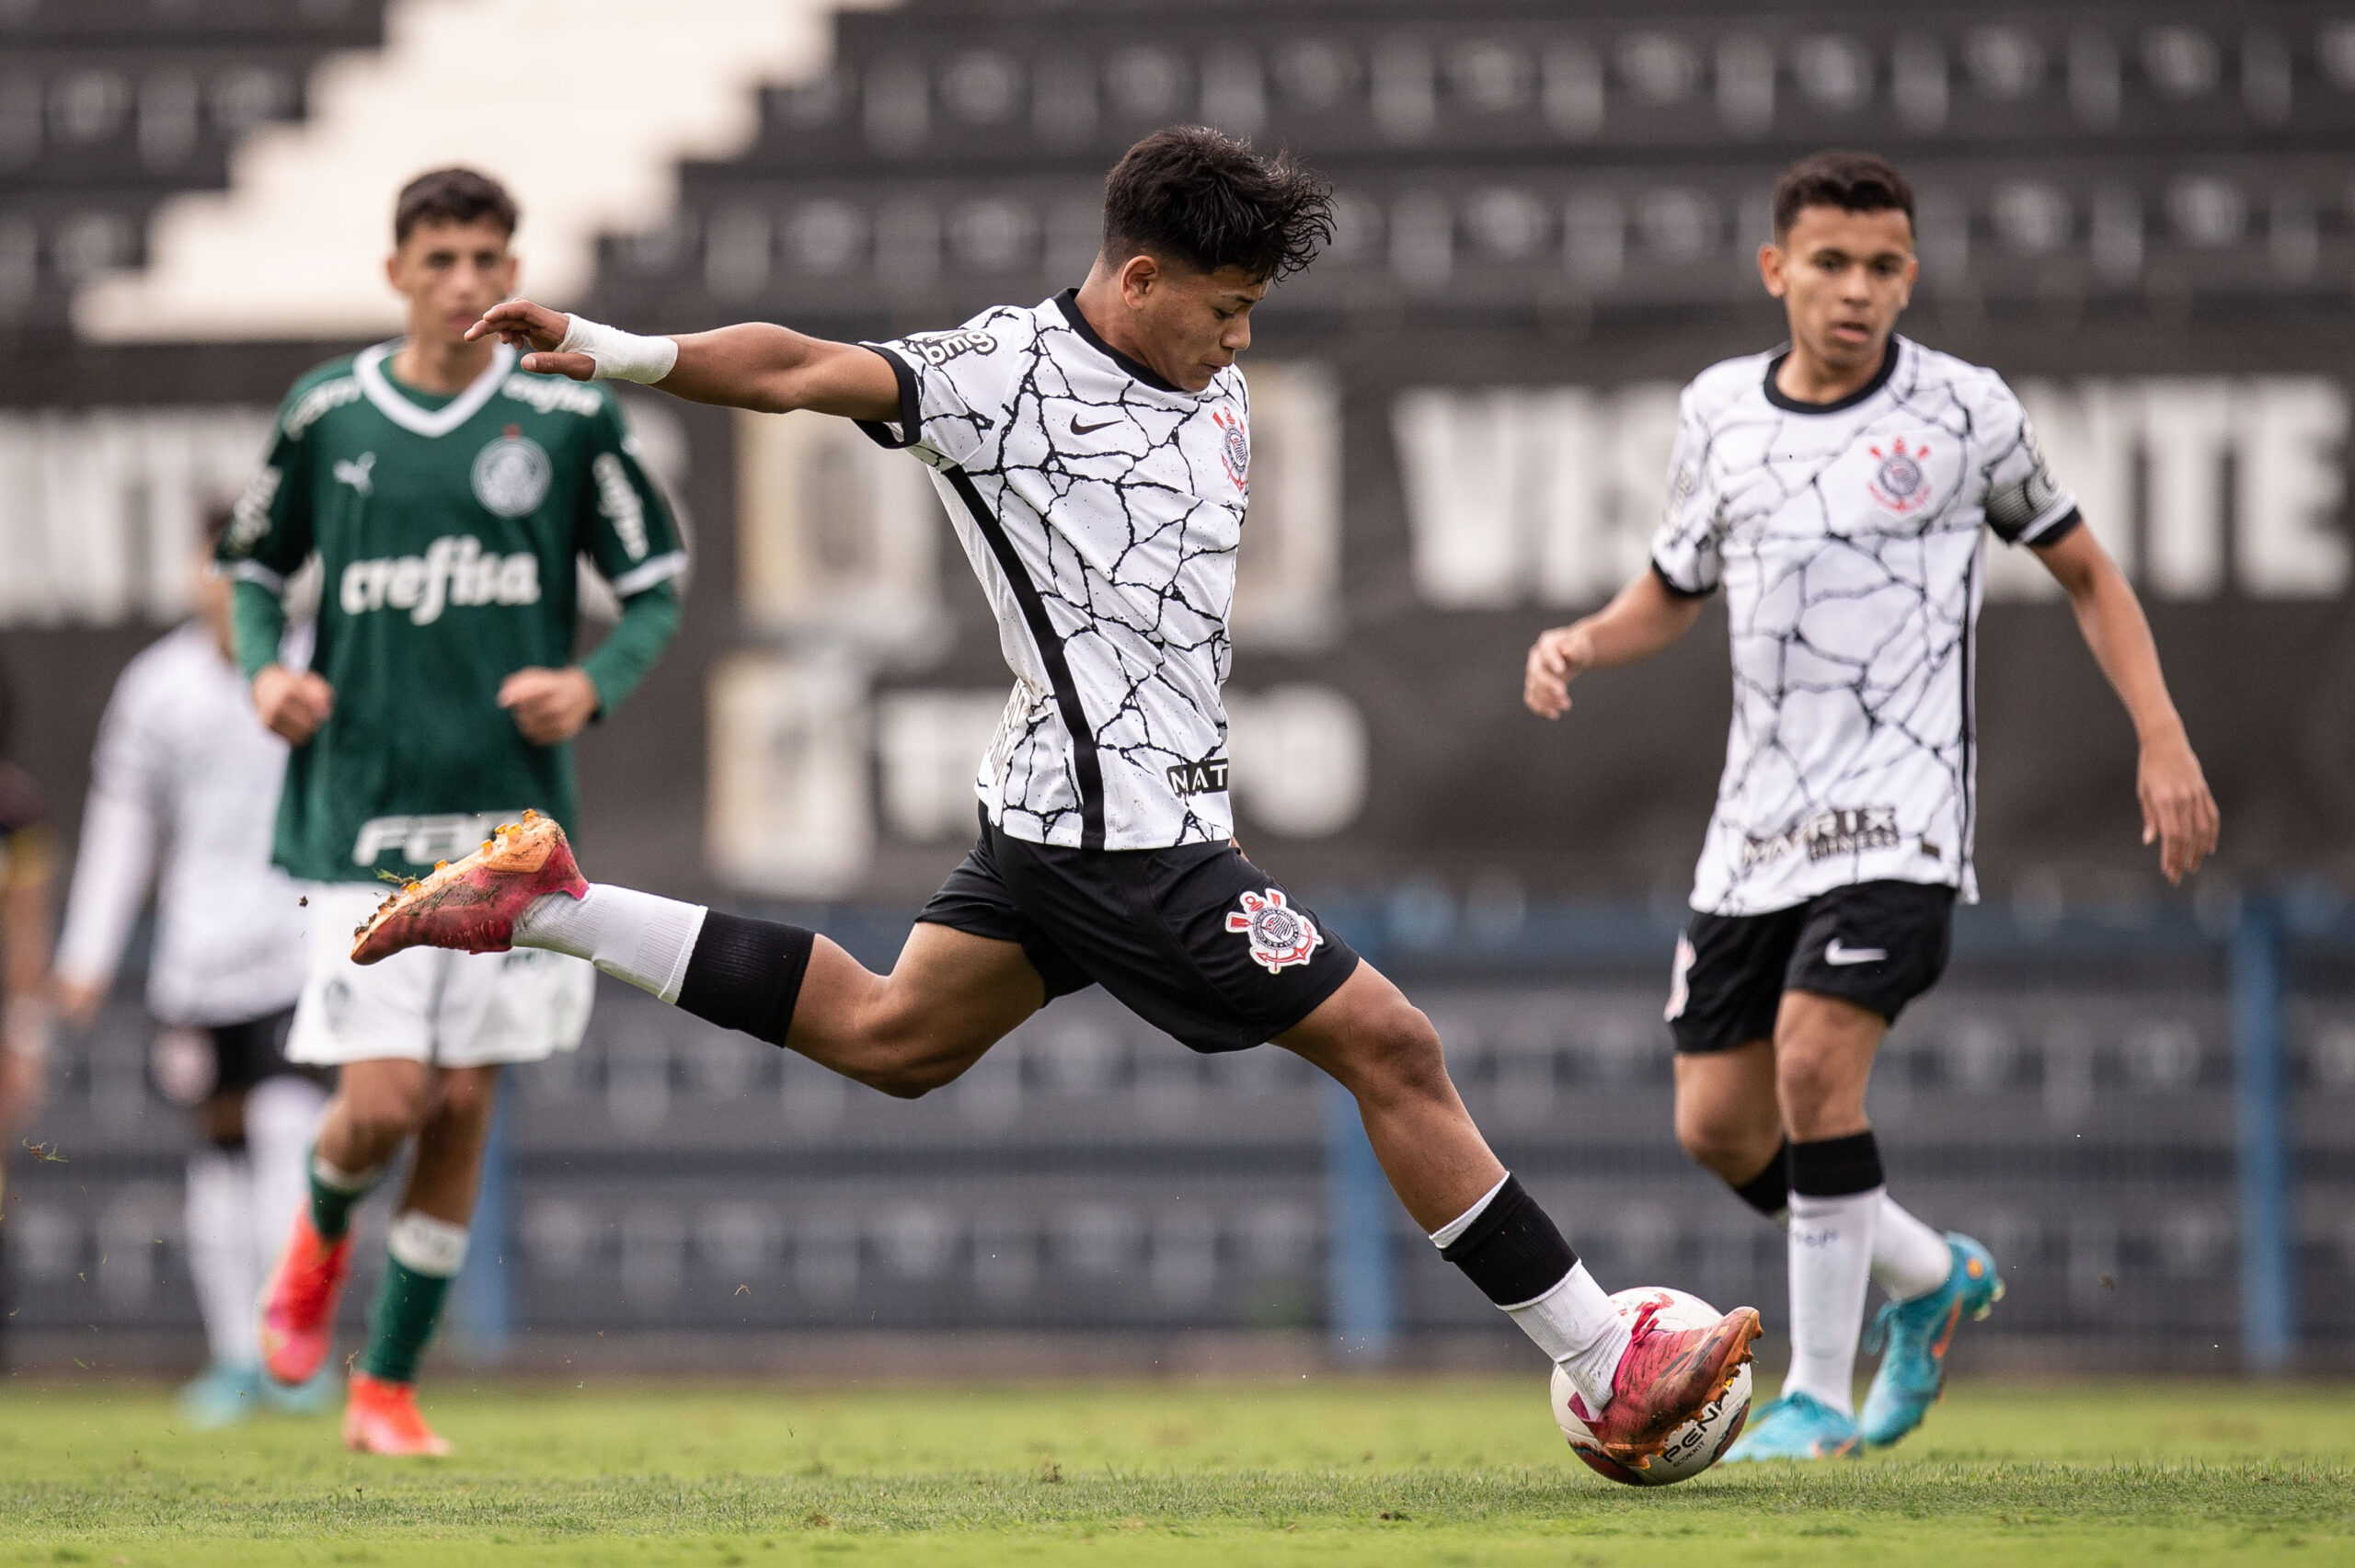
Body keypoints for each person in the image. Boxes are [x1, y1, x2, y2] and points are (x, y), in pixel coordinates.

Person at [353, 126, 1758, 1474]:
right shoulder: (1001, 376)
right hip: (1120, 841)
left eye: (1254, 308)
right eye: (1224, 307)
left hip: (1080, 815)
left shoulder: (1214, 379)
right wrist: (608, 347)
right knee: (1389, 1043)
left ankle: (556, 903)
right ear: (1136, 278)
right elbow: (794, 369)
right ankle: (1600, 1356)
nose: (1242, 338)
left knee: (893, 1035)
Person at [1522, 150, 2221, 1460]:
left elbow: (2084, 566)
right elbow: (1674, 586)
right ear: (1776, 270)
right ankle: (1931, 1275)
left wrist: (2162, 735)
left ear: (1911, 273)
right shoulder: (1720, 410)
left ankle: (1816, 1404)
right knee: (1718, 1125)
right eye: (1831, 264)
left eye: (1884, 266)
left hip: (1901, 813)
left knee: (1810, 1067)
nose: (1858, 291)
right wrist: (1582, 641)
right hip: (1754, 831)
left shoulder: (1964, 413)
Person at [216, 167, 685, 1455]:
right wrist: (267, 667)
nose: (468, 283)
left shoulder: (564, 419)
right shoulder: (328, 415)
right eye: (442, 260)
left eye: (489, 258)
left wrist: (590, 682)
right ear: (397, 274)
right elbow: (250, 565)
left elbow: (655, 582)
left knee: (463, 1105)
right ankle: (315, 1239)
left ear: (511, 268)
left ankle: (387, 1387)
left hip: (506, 829)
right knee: (383, 1103)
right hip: (360, 821)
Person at [52, 515, 332, 1429]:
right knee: (219, 1161)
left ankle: (292, 1351)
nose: (226, 584)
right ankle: (232, 1357)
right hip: (196, 966)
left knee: (292, 1140)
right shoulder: (155, 688)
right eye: (214, 565)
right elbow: (122, 822)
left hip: (298, 949)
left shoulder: (316, 665)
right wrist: (88, 953)